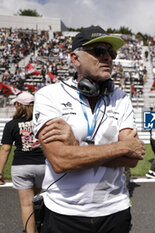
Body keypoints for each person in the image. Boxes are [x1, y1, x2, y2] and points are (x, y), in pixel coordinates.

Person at [33, 26, 145, 233]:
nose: (108, 58)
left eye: (111, 53)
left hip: (115, 210)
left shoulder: (121, 98)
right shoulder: (49, 95)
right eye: (99, 51)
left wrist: (76, 146)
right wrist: (120, 147)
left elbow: (132, 157)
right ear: (75, 58)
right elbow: (61, 161)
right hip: (63, 213)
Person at [0, 92, 46, 233]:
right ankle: (41, 227)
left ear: (19, 105)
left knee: (27, 205)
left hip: (21, 166)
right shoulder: (42, 122)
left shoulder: (12, 124)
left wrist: (0, 171)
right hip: (42, 165)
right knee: (40, 202)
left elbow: (6, 149)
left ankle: (30, 231)